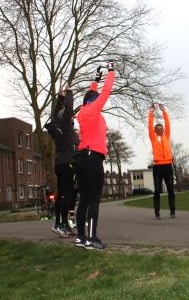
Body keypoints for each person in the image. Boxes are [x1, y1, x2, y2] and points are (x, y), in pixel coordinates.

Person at [75, 62, 115, 249]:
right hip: (93, 157)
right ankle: (92, 239)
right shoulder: (94, 109)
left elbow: (91, 93)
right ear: (95, 100)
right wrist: (111, 71)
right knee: (93, 199)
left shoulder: (82, 112)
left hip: (81, 156)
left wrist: (96, 79)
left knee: (83, 199)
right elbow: (106, 92)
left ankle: (81, 238)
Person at [45, 83, 76, 237]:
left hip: (59, 164)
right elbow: (68, 110)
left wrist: (60, 97)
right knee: (66, 196)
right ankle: (64, 225)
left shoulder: (55, 125)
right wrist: (69, 93)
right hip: (67, 163)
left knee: (61, 194)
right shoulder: (64, 124)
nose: (71, 117)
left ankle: (57, 223)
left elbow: (55, 113)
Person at [148, 104, 176, 219]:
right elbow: (149, 125)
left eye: (161, 129)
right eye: (157, 129)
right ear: (155, 131)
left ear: (163, 130)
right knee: (157, 190)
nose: (160, 130)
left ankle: (172, 211)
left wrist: (164, 111)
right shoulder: (153, 137)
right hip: (158, 167)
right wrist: (151, 112)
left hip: (168, 166)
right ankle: (157, 212)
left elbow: (168, 123)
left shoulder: (166, 136)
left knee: (170, 189)